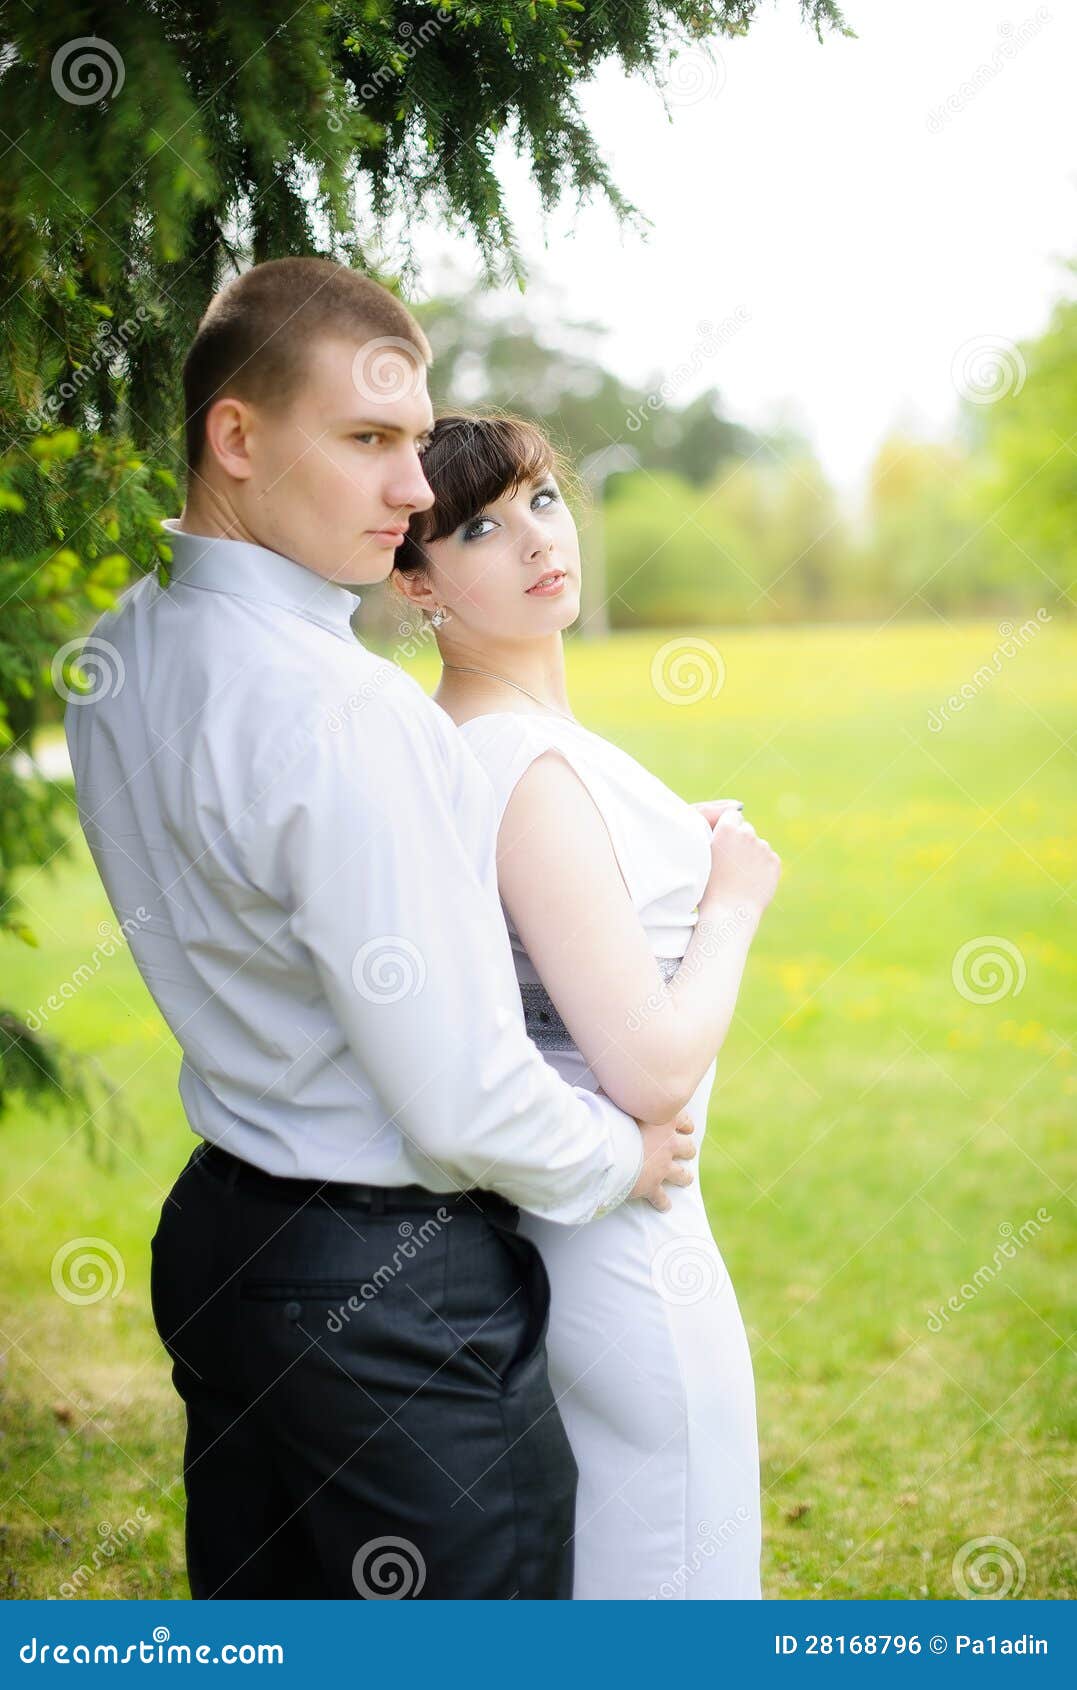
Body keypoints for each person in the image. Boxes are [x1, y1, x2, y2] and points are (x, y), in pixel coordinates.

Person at [63, 259, 696, 1600]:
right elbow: (460, 1095)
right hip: (387, 1284)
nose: (413, 492)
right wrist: (618, 1155)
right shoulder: (352, 713)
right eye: (367, 443)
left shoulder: (116, 654)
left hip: (226, 1238)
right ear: (236, 439)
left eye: (414, 445)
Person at [391, 413, 781, 1597]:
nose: (536, 540)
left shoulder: (483, 741)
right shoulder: (522, 760)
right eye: (479, 527)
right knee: (674, 1577)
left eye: (544, 499)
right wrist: (732, 898)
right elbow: (652, 1068)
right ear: (415, 582)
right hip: (630, 1237)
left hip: (575, 1227)